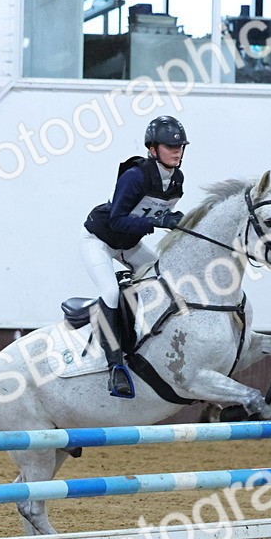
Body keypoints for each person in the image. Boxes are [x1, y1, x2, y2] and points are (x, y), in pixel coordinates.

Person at [82, 115, 188, 398]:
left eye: (180, 146)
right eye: (169, 146)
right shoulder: (135, 176)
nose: (177, 150)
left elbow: (150, 215)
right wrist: (158, 222)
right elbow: (117, 221)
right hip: (100, 241)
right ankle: (115, 367)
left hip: (128, 245)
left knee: (164, 275)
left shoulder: (176, 179)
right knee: (110, 292)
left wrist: (171, 220)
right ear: (153, 149)